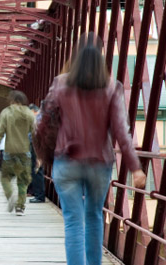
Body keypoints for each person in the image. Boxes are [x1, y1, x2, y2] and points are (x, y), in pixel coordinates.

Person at [43, 33, 146, 265]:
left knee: (72, 221)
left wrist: (44, 153)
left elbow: (44, 120)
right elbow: (122, 131)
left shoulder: (60, 83)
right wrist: (135, 168)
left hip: (66, 160)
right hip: (100, 162)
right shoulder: (112, 87)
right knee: (94, 215)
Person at [0, 91, 35, 216]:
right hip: (25, 151)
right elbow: (36, 134)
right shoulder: (29, 113)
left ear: (11, 100)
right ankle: (20, 207)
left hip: (9, 151)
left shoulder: (6, 112)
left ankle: (10, 195)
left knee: (5, 177)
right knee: (23, 181)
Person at [27, 104, 45, 203]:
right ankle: (37, 194)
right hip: (36, 146)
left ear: (34, 111)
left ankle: (39, 195)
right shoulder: (40, 119)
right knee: (36, 170)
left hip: (37, 147)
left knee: (37, 170)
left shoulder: (39, 119)